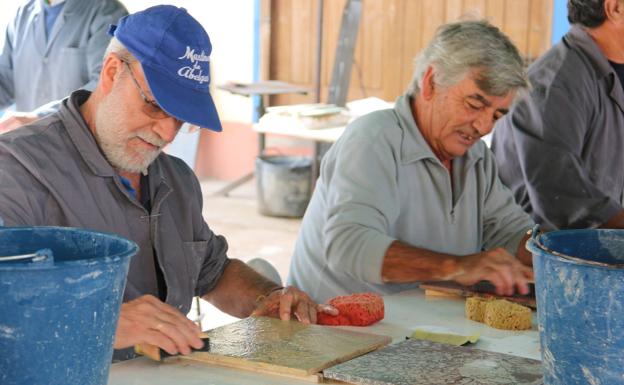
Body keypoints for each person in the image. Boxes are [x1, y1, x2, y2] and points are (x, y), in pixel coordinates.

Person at [0, 5, 336, 361]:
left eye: (182, 119)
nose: (166, 133)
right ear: (112, 73)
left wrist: (268, 298)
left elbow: (212, 271)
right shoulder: (18, 169)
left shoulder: (175, 179)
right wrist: (102, 320)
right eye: (155, 106)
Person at [287, 20, 535, 303]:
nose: (483, 126)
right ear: (430, 83)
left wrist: (556, 251)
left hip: (418, 332)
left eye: (496, 115)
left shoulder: (476, 157)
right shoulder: (373, 139)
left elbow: (511, 232)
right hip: (332, 332)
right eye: (474, 105)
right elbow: (349, 245)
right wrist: (458, 266)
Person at [491, 0, 624, 231]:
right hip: (537, 259)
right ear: (616, 8)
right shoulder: (555, 81)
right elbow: (561, 196)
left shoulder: (611, 71)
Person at [0, 0, 127, 133]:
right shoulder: (22, 15)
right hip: (29, 143)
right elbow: (5, 80)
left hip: (79, 138)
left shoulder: (106, 11)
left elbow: (107, 83)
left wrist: (40, 117)